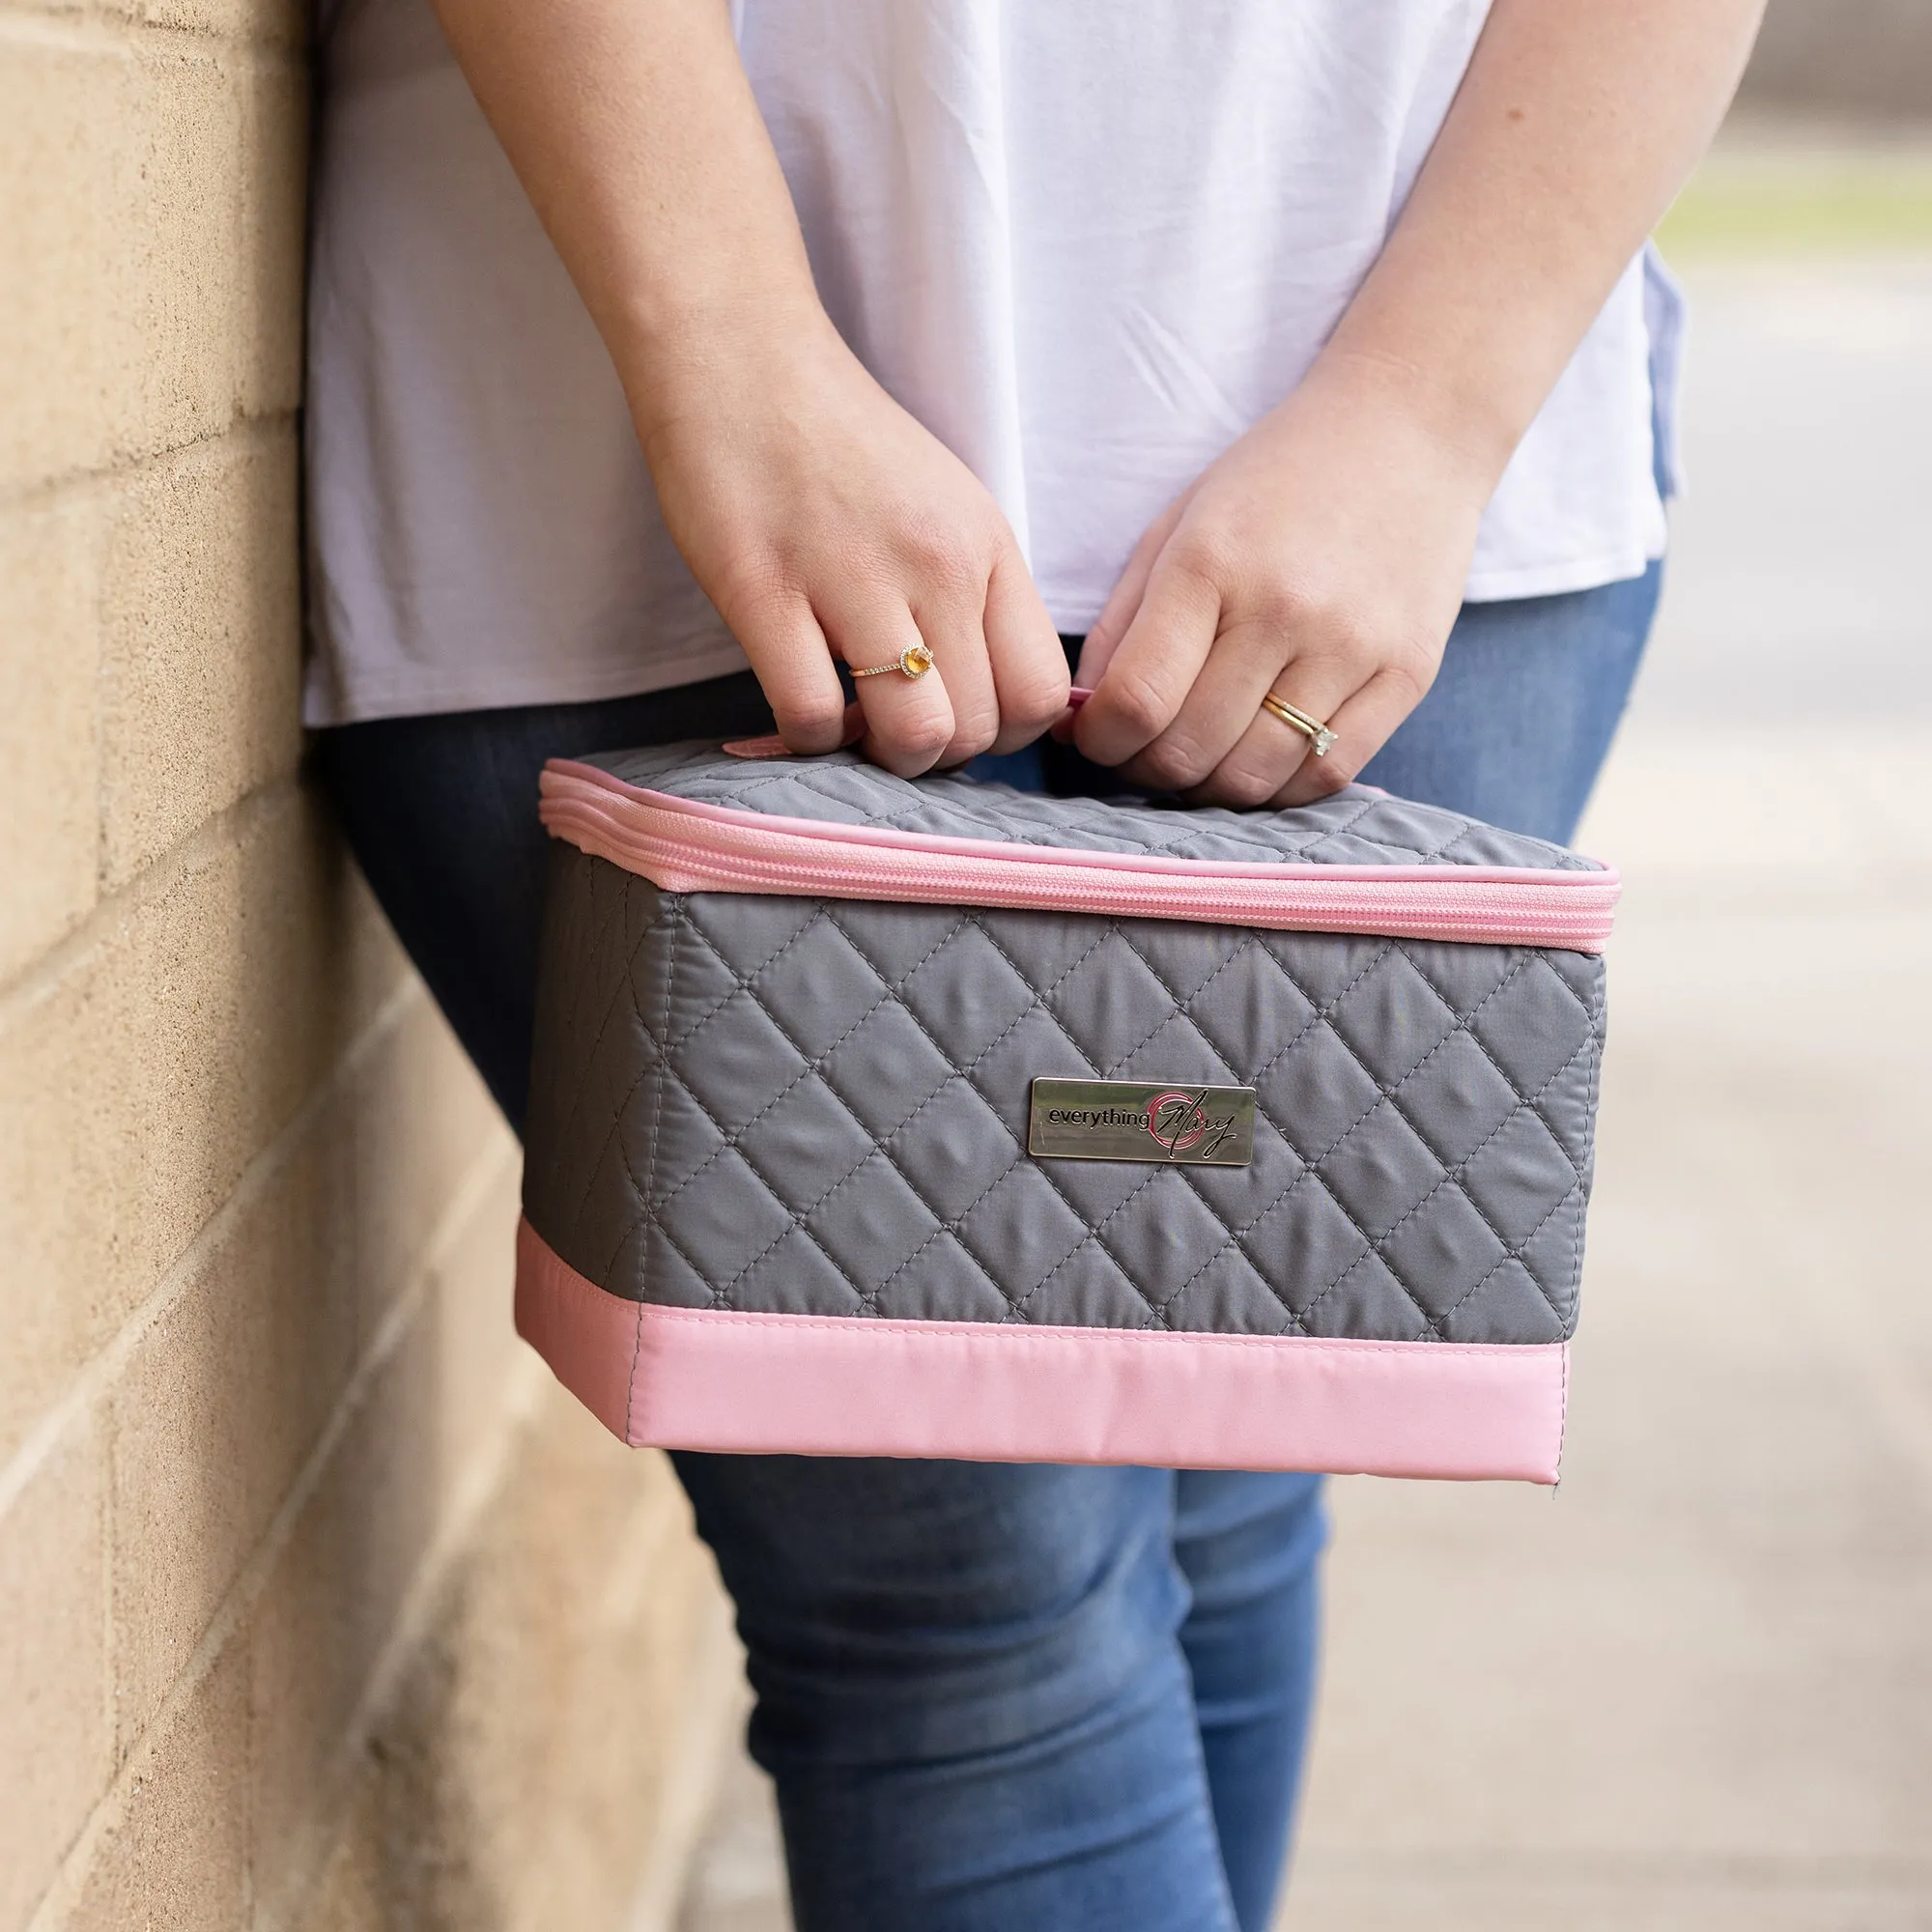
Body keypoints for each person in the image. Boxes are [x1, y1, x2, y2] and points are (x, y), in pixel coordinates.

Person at [304, 2, 1764, 1925]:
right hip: (635, 456)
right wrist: (729, 339)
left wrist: (1421, 410)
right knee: (973, 1643)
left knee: (1227, 1488)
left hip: (1418, 441)